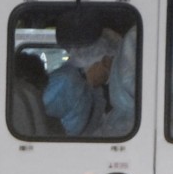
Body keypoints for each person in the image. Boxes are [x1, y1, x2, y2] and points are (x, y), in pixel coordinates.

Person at [43, 7, 118, 136]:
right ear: (100, 61)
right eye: (109, 65)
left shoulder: (93, 90)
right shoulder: (64, 82)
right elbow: (40, 123)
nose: (110, 73)